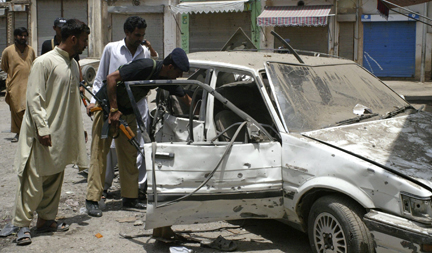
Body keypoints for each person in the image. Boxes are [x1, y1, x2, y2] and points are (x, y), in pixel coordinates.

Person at [10, 19, 90, 246]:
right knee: (32, 178)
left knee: (55, 177)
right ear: (73, 38)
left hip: (62, 134)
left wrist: (77, 130)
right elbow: (34, 99)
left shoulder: (73, 64)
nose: (85, 44)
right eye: (84, 40)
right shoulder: (44, 62)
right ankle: (21, 225)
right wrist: (43, 129)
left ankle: (45, 221)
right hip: (40, 133)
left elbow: (72, 101)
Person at [85, 48, 191, 217]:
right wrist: (113, 109)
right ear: (170, 66)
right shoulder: (145, 65)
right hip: (106, 108)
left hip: (127, 112)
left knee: (129, 155)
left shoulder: (166, 78)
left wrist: (199, 111)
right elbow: (111, 78)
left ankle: (130, 197)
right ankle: (92, 200)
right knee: (100, 154)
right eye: (178, 72)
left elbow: (184, 97)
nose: (178, 76)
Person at [87, 16, 158, 201]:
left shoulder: (144, 52)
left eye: (142, 35)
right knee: (104, 153)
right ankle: (98, 193)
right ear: (127, 33)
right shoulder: (112, 49)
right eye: (136, 34)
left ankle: (132, 194)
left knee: (133, 153)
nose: (140, 38)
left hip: (135, 109)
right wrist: (96, 103)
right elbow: (101, 77)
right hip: (110, 108)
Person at [1, 27, 36, 143]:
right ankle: (18, 133)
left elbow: (34, 64)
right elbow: (4, 67)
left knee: (28, 108)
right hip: (14, 84)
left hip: (29, 83)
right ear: (15, 37)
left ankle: (29, 132)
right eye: (21, 35)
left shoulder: (31, 50)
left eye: (25, 35)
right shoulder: (8, 51)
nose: (23, 38)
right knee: (16, 110)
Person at [41, 17, 84, 85]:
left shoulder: (72, 44)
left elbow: (77, 63)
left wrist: (81, 83)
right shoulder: (47, 45)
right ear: (54, 28)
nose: (62, 30)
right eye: (59, 28)